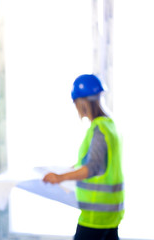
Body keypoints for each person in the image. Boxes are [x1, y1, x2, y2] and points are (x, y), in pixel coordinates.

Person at [43, 74, 124, 240]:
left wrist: (60, 177)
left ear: (81, 102)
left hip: (96, 212)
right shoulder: (110, 125)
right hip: (111, 209)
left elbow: (92, 167)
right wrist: (70, 169)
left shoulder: (99, 128)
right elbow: (96, 162)